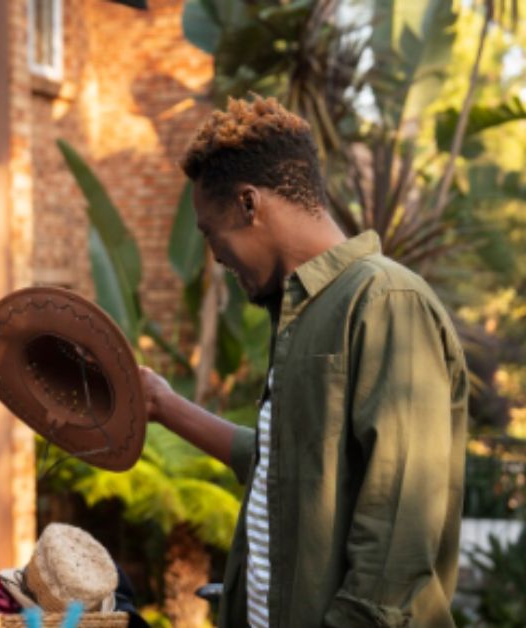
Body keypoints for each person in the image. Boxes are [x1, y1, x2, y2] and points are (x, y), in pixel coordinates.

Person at [140, 97, 468, 626]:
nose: (215, 256)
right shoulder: (301, 312)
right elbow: (284, 466)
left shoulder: (383, 301)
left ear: (249, 204)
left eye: (210, 234)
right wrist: (161, 403)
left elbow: (396, 540)